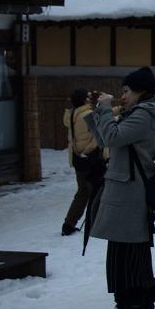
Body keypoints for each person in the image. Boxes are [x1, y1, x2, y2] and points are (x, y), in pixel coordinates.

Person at [84, 67, 155, 309]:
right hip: (127, 194)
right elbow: (106, 140)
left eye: (126, 91)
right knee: (132, 259)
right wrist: (98, 111)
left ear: (141, 91)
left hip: (129, 197)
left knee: (125, 262)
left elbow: (112, 138)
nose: (122, 96)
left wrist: (105, 109)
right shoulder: (140, 113)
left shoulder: (144, 115)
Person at [62, 89, 105, 236]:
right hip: (91, 159)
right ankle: (95, 224)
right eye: (88, 96)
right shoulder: (87, 114)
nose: (90, 98)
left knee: (83, 192)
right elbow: (100, 131)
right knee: (97, 191)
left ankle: (69, 223)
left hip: (78, 158)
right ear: (84, 100)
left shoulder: (72, 114)